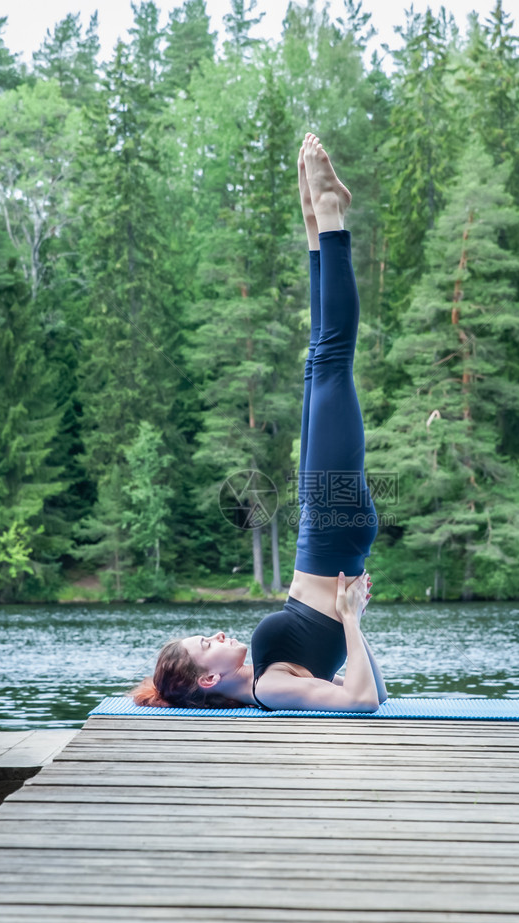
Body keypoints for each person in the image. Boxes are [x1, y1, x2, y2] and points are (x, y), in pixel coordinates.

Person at [132, 133, 387, 713]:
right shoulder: (269, 687)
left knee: (317, 362)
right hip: (330, 532)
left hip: (321, 535)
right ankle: (327, 214)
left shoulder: (262, 671)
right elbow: (364, 701)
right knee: (330, 360)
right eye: (207, 644)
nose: (219, 635)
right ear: (204, 679)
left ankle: (318, 218)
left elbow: (361, 685)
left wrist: (348, 619)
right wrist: (350, 618)